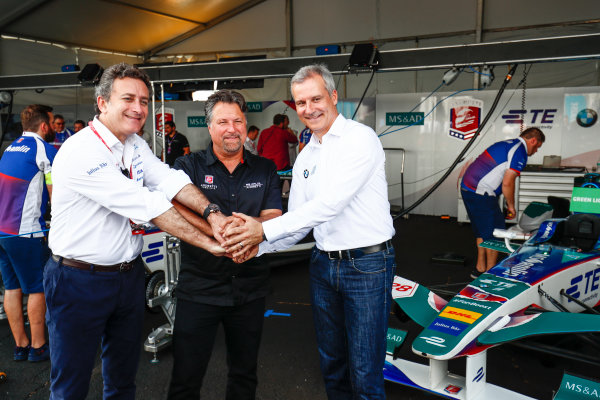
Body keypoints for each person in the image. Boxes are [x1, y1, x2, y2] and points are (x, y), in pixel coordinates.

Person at [44, 63, 230, 400]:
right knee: (70, 386)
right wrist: (212, 241)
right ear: (102, 103)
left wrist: (213, 215)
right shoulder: (82, 150)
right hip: (78, 281)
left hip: (127, 277)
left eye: (144, 101)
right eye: (128, 98)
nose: (139, 108)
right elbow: (147, 204)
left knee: (122, 381)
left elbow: (169, 180)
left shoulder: (132, 143)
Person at [221, 64, 396, 400]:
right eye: (301, 103)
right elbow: (300, 219)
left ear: (333, 96)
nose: (309, 109)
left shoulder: (361, 138)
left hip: (367, 266)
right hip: (323, 265)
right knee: (331, 364)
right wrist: (254, 247)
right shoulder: (306, 154)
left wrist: (261, 230)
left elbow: (330, 205)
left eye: (316, 98)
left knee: (364, 371)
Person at [167, 90, 282, 400]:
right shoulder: (187, 165)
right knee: (185, 378)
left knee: (244, 375)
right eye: (223, 122)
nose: (232, 128)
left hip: (250, 288)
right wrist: (218, 232)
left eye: (238, 121)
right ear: (209, 127)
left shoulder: (265, 168)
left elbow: (273, 213)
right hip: (199, 288)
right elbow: (178, 206)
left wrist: (250, 234)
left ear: (246, 124)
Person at [0, 104, 57, 362]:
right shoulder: (43, 148)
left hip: (2, 230)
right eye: (52, 124)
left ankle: (21, 345)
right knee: (37, 287)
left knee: (12, 287)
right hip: (24, 231)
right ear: (44, 126)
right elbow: (56, 191)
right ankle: (38, 346)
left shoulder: (10, 147)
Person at [459, 127, 545, 278]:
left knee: (481, 230)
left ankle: (480, 268)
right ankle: (491, 272)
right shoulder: (520, 151)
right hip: (481, 192)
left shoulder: (506, 144)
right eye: (537, 147)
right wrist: (511, 206)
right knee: (495, 232)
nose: (536, 151)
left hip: (468, 188)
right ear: (532, 140)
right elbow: (507, 183)